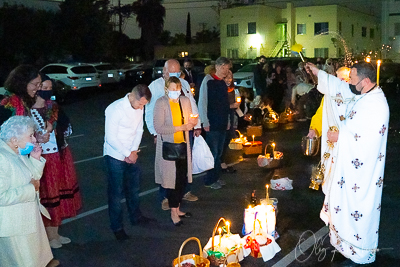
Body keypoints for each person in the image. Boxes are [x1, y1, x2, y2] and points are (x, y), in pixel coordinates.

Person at [306, 61, 389, 264]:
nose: (350, 82)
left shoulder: (376, 104)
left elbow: (368, 140)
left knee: (358, 211)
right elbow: (341, 88)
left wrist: (340, 137)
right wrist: (319, 73)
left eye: (353, 78)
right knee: (346, 208)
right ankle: (345, 245)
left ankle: (358, 252)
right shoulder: (365, 94)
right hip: (352, 169)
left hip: (362, 173)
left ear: (366, 80)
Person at [0, 116, 59, 267]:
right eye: (30, 135)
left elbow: (33, 178)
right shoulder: (2, 158)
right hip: (15, 227)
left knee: (36, 261)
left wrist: (35, 158)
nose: (34, 140)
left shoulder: (15, 152)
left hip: (26, 220)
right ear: (14, 139)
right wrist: (31, 189)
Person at [31, 74, 82, 249]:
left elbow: (67, 127)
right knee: (48, 195)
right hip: (43, 157)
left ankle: (55, 233)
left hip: (59, 153)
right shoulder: (27, 110)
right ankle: (48, 236)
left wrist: (56, 127)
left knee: (59, 193)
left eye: (49, 88)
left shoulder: (53, 107)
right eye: (43, 88)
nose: (47, 91)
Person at [145, 59, 201, 210]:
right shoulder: (155, 87)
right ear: (164, 71)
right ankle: (165, 197)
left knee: (184, 164)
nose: (175, 74)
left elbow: (192, 104)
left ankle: (184, 191)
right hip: (167, 134)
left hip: (185, 132)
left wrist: (197, 124)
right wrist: (154, 133)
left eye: (178, 71)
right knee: (167, 166)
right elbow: (149, 112)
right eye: (172, 72)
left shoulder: (183, 84)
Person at [104, 84, 154, 240]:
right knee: (116, 194)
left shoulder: (140, 106)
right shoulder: (115, 109)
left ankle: (136, 216)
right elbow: (111, 138)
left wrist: (133, 151)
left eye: (144, 105)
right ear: (133, 96)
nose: (141, 108)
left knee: (133, 189)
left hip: (131, 154)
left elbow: (139, 129)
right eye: (140, 104)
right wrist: (127, 153)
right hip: (114, 156)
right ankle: (117, 227)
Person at [153, 77, 198, 226]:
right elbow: (159, 128)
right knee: (171, 181)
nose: (175, 92)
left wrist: (192, 122)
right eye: (172, 89)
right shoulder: (161, 103)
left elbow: (190, 121)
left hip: (183, 146)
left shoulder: (184, 101)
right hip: (169, 148)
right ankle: (173, 212)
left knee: (181, 179)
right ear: (166, 89)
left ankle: (177, 208)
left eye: (177, 89)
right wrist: (180, 128)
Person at [198, 57, 231, 189]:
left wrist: (228, 120)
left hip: (222, 122)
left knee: (219, 152)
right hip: (212, 123)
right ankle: (209, 180)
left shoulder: (222, 83)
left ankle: (216, 177)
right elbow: (202, 102)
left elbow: (225, 104)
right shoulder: (208, 81)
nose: (227, 71)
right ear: (219, 66)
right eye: (226, 68)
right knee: (213, 152)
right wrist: (204, 121)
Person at [307, 67, 351, 138]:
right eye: (338, 80)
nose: (340, 83)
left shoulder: (354, 97)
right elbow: (321, 114)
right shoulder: (329, 95)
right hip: (330, 137)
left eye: (343, 80)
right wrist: (314, 129)